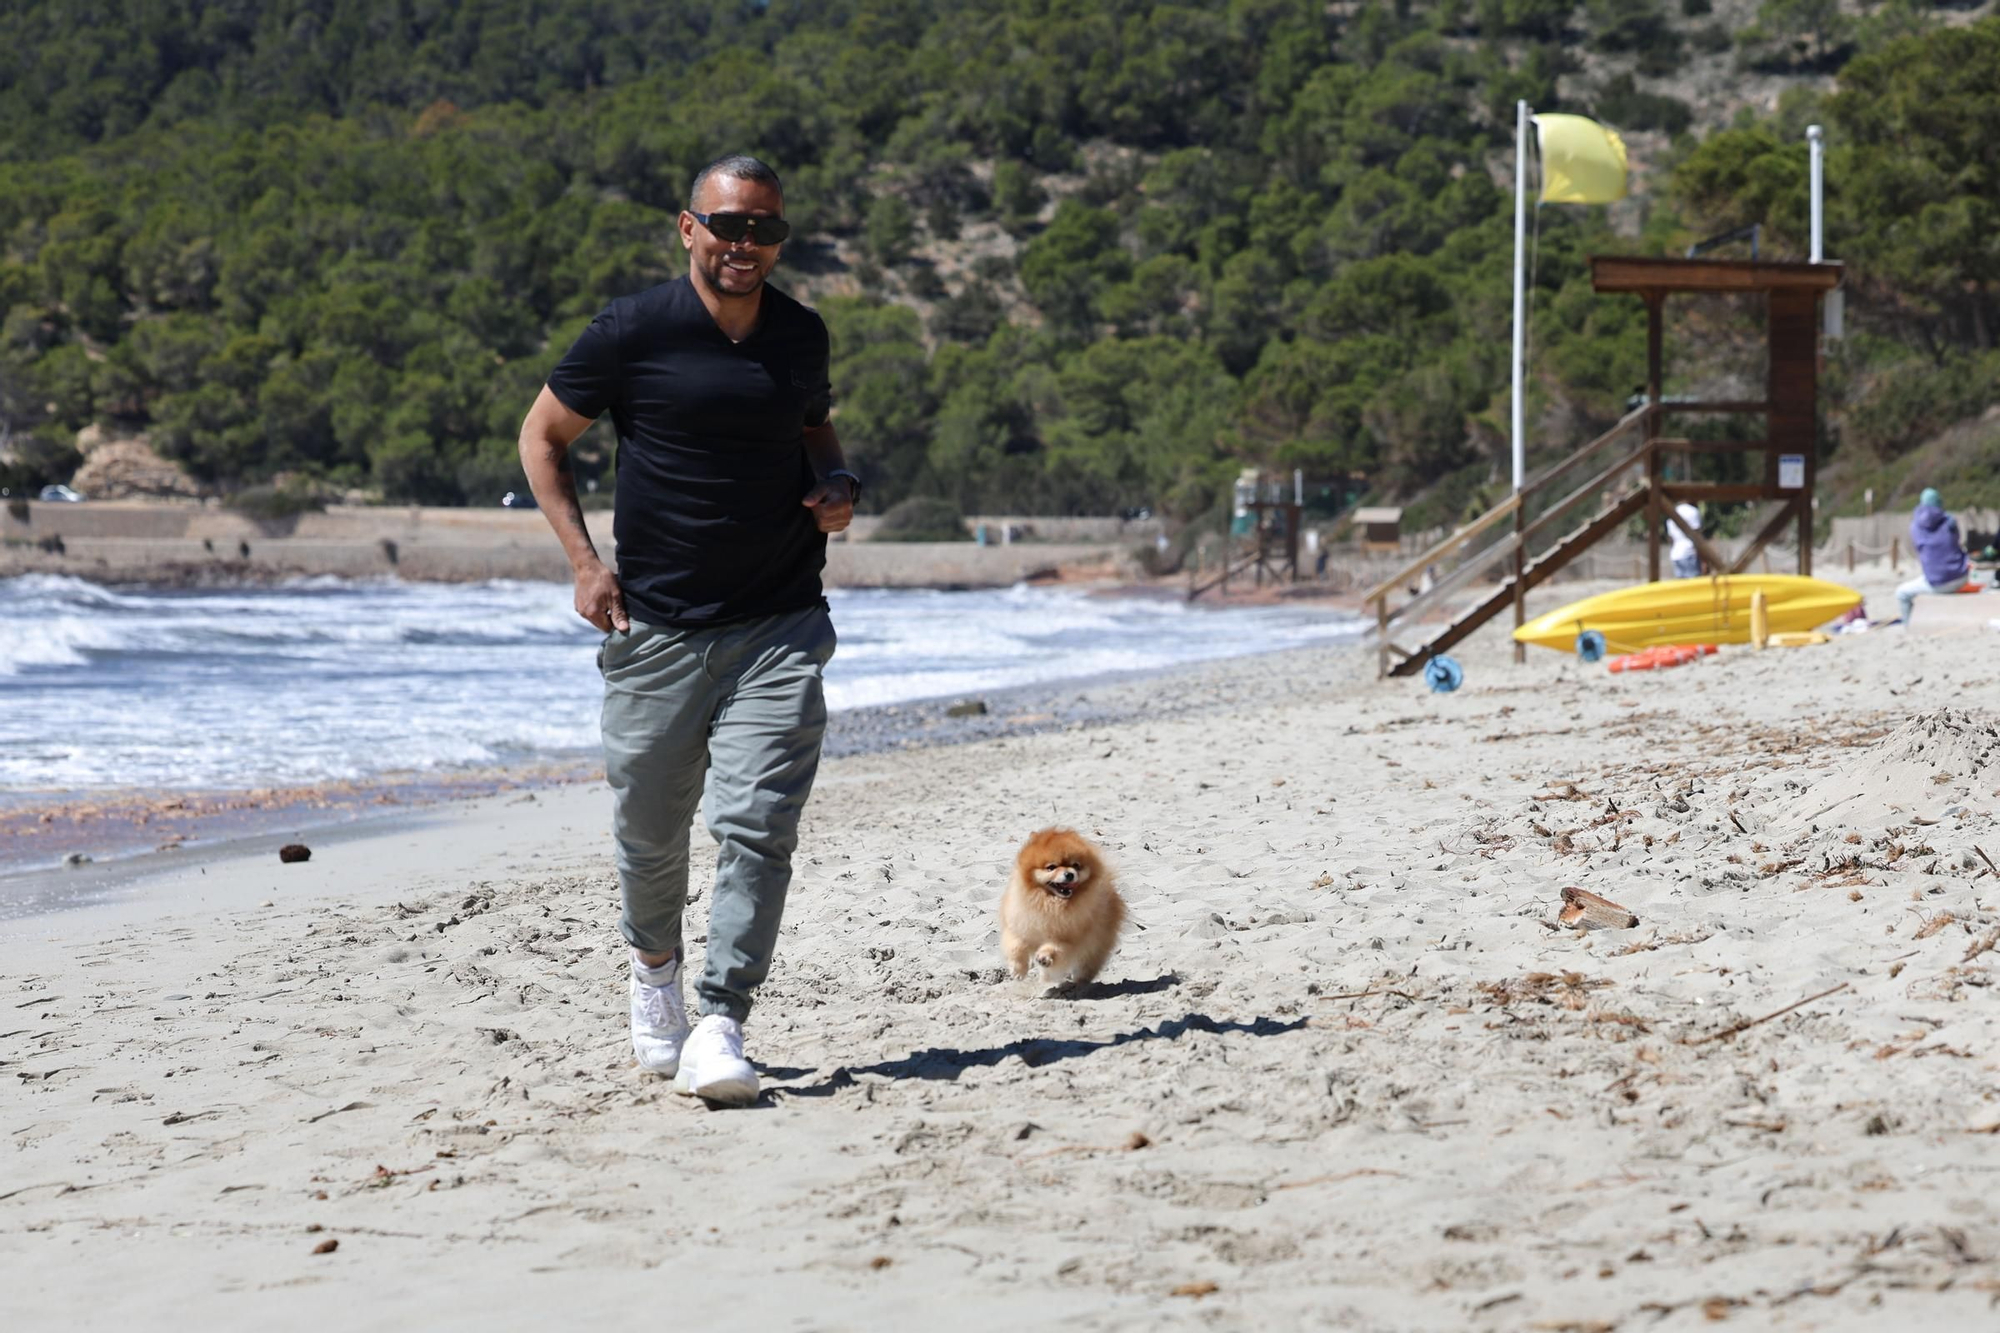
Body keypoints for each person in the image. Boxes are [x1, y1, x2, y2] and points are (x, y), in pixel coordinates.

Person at [516, 153, 858, 1106]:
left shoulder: (800, 335)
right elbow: (541, 438)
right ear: (688, 227)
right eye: (728, 225)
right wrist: (585, 563)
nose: (745, 245)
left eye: (765, 230)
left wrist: (839, 486)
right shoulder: (632, 330)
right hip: (656, 627)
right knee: (650, 830)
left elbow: (816, 430)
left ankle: (721, 1017)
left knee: (756, 824)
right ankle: (656, 974)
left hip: (780, 622)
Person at [1895, 487, 1970, 623]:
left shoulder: (1915, 526)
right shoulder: (1950, 521)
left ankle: (1908, 627)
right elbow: (1956, 540)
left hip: (1938, 583)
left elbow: (1921, 550)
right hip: (1962, 575)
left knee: (1901, 593)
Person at [1667, 501, 1702, 579]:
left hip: (1676, 555)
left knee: (1681, 588)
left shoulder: (1672, 511)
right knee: (1694, 587)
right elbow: (1697, 537)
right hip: (1689, 553)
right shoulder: (1693, 511)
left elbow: (1670, 539)